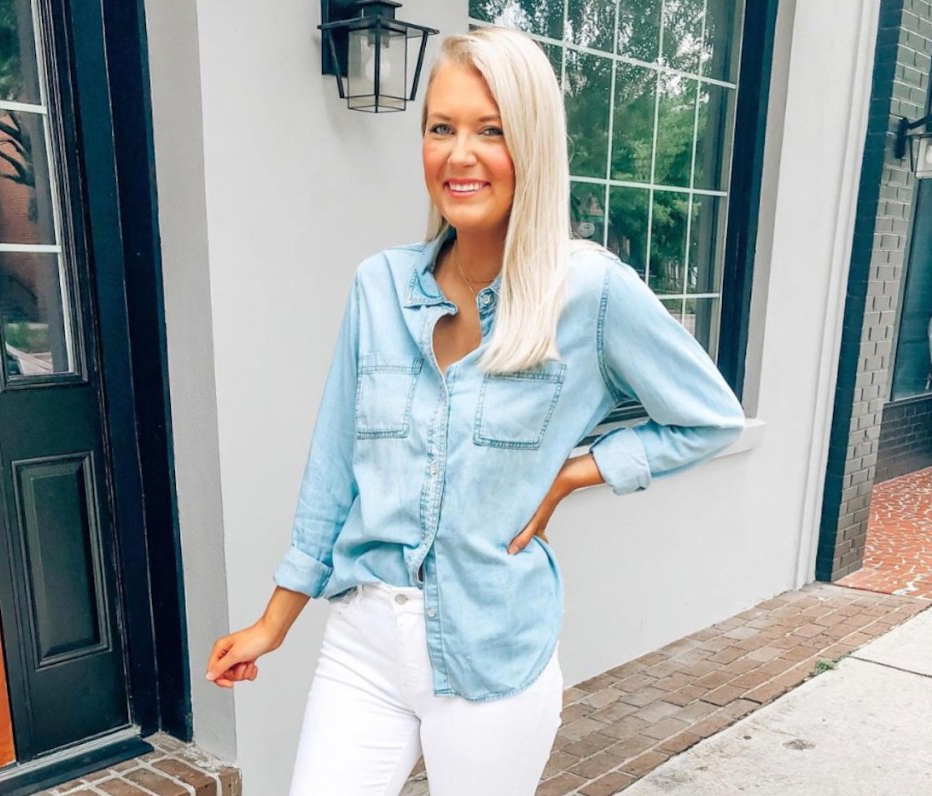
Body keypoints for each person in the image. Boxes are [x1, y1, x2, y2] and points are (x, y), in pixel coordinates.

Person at [205, 26, 746, 796]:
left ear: (532, 144)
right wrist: (275, 620)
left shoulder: (588, 294)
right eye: (441, 128)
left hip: (492, 650)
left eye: (491, 130)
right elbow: (333, 470)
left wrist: (575, 474)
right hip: (365, 639)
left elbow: (709, 418)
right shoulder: (378, 288)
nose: (460, 155)